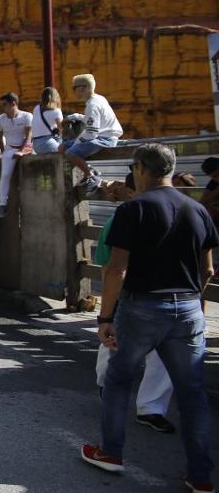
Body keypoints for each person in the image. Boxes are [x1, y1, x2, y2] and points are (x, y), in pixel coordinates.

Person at [81, 144, 217, 493]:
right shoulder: (197, 209)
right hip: (187, 308)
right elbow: (208, 270)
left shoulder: (134, 209)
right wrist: (190, 300)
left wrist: (105, 317)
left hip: (142, 306)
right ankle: (201, 476)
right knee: (192, 393)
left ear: (140, 168)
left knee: (118, 379)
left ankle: (111, 452)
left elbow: (116, 269)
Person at [91, 173, 175, 433]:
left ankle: (151, 408)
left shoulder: (176, 213)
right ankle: (107, 386)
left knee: (162, 355)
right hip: (129, 296)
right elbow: (109, 267)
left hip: (164, 296)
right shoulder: (122, 218)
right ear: (130, 191)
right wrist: (108, 308)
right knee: (115, 345)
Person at [64, 74, 123, 193]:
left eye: (74, 88)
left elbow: (91, 133)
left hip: (105, 138)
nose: (74, 92)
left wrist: (76, 143)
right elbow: (92, 120)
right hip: (103, 135)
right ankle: (90, 171)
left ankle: (92, 177)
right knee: (62, 147)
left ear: (82, 88)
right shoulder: (98, 98)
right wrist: (76, 116)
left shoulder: (92, 105)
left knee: (70, 152)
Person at [0, 93, 34, 218]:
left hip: (26, 147)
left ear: (13, 104)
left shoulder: (27, 116)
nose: (2, 108)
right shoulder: (0, 119)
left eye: (4, 105)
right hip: (10, 149)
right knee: (5, 175)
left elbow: (28, 136)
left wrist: (22, 151)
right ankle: (2, 204)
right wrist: (3, 151)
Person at [31, 87, 65, 154]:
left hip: (35, 144)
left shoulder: (37, 108)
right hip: (47, 143)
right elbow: (62, 129)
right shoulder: (56, 111)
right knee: (70, 151)